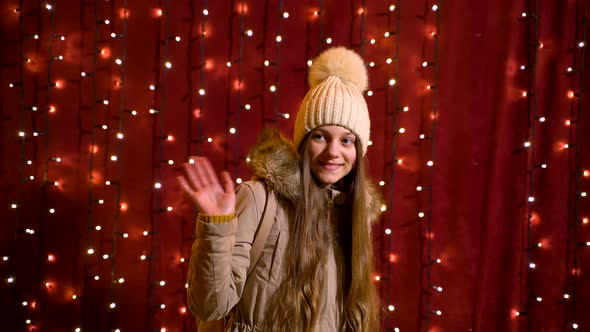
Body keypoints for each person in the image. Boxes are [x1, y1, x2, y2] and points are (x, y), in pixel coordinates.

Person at [178, 47, 383, 331]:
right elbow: (211, 305)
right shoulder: (260, 199)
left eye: (347, 140)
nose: (333, 152)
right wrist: (217, 227)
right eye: (321, 136)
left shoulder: (351, 217)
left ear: (359, 151)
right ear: (303, 141)